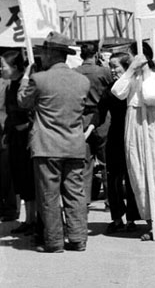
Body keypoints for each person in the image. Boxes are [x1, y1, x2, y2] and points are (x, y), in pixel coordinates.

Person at [18, 32, 91, 253]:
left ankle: (54, 241)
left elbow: (23, 102)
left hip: (47, 146)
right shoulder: (82, 81)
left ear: (51, 53)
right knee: (75, 193)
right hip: (74, 145)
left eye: (44, 52)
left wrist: (24, 78)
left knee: (49, 196)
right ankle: (78, 238)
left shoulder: (39, 79)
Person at [111, 42, 155, 242]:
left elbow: (151, 96)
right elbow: (117, 92)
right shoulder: (130, 79)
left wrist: (146, 72)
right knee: (139, 174)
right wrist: (132, 71)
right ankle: (152, 223)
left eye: (131, 56)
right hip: (134, 126)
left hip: (152, 127)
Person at [99, 52, 140, 234]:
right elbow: (99, 113)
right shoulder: (109, 89)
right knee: (114, 179)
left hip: (132, 135)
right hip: (115, 137)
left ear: (126, 68)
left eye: (116, 67)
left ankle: (131, 218)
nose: (112, 70)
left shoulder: (134, 86)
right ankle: (117, 218)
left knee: (132, 180)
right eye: (111, 67)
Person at [2, 50, 37, 235]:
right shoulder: (10, 85)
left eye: (3, 66)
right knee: (21, 180)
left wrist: (26, 125)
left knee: (30, 179)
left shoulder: (27, 84)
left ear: (15, 67)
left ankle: (34, 219)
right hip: (15, 138)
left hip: (27, 139)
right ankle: (28, 218)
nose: (1, 69)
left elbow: (32, 109)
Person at [74, 43, 112, 205]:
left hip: (82, 117)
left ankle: (85, 199)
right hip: (103, 117)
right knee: (106, 161)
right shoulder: (104, 72)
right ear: (96, 54)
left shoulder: (74, 73)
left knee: (85, 162)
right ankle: (110, 199)